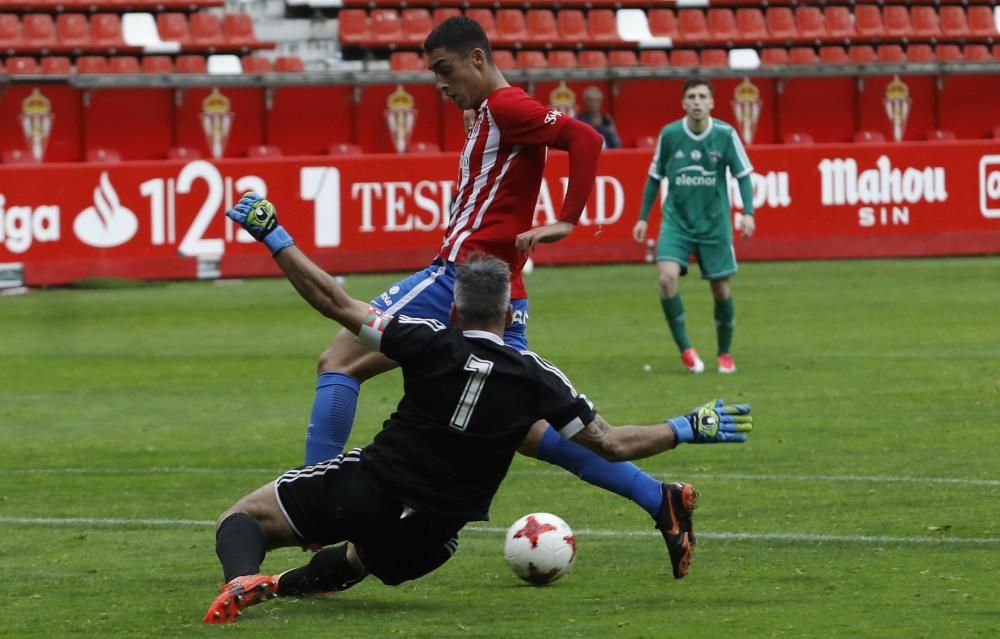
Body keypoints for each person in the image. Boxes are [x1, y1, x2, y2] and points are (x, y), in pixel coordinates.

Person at [203, 194, 754, 623]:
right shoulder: (538, 379)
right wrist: (686, 426)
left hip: (373, 486)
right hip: (431, 540)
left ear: (455, 306)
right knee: (358, 561)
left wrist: (274, 235)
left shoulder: (426, 341)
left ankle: (241, 578)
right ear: (509, 309)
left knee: (243, 518)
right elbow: (613, 442)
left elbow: (334, 302)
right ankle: (279, 587)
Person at [300, 16, 696, 566]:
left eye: (447, 70)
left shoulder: (507, 107)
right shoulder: (483, 113)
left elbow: (584, 136)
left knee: (338, 363)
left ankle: (317, 510)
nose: (441, 84)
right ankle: (660, 498)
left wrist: (566, 219)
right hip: (498, 288)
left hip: (460, 279)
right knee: (524, 428)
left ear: (479, 60)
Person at [631, 77, 757, 375]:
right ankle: (686, 349)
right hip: (676, 222)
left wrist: (748, 213)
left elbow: (743, 175)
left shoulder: (725, 134)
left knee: (721, 290)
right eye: (692, 97)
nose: (697, 102)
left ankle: (724, 353)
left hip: (714, 225)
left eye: (703, 96)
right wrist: (643, 217)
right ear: (684, 103)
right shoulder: (670, 134)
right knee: (666, 279)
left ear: (712, 102)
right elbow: (654, 177)